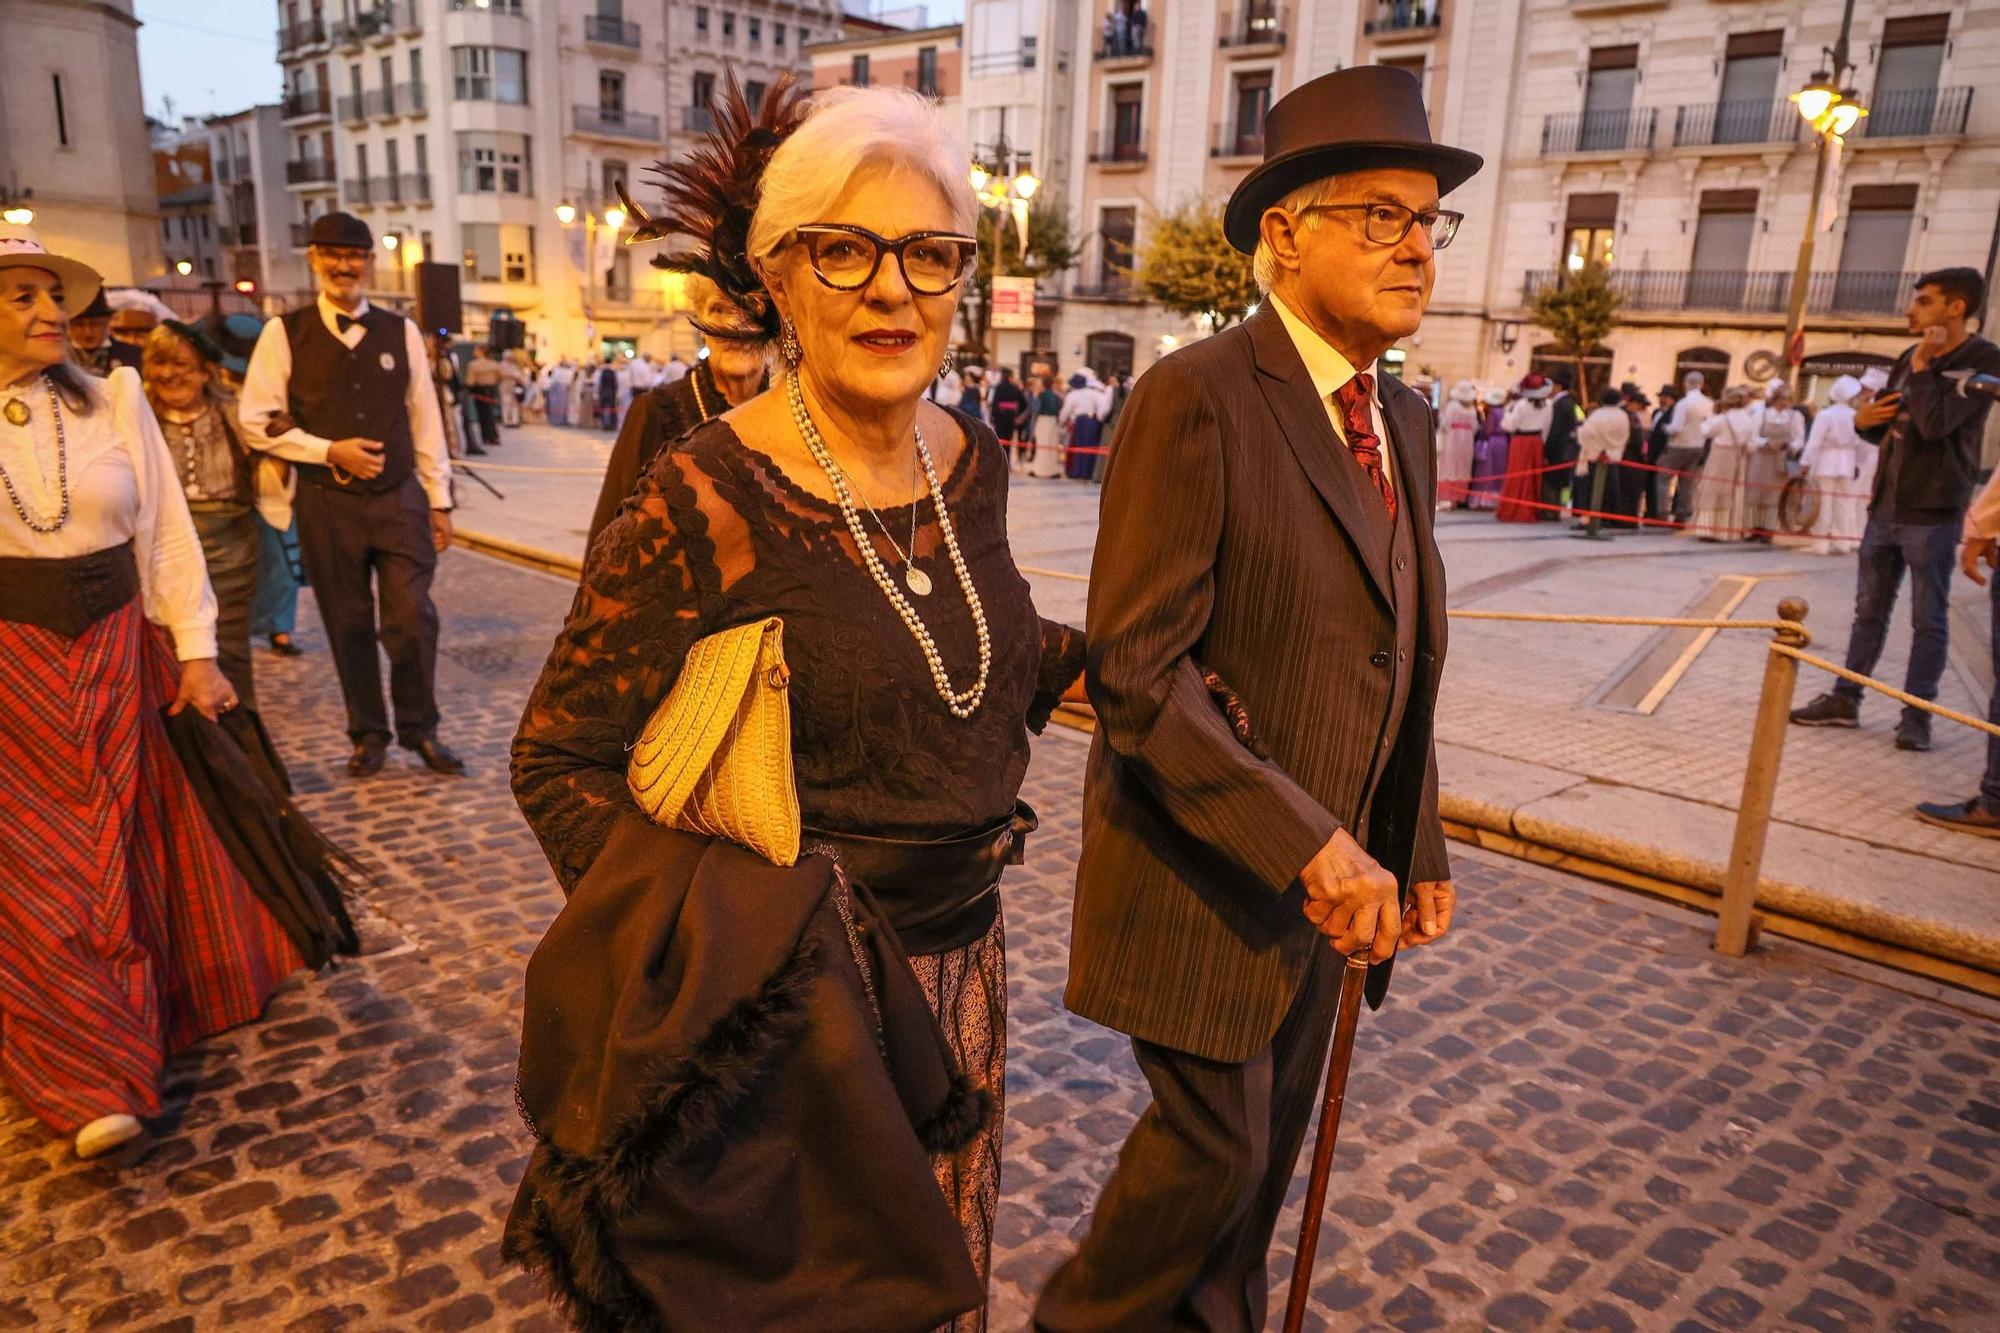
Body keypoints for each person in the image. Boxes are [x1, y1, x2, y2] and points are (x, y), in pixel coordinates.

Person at [504, 83, 1086, 1330]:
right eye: (845, 249)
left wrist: (1152, 671)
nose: (892, 289)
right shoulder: (704, 492)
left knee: (936, 1275)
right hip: (797, 1003)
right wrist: (721, 958)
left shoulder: (968, 457)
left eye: (928, 254)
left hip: (963, 965)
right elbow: (557, 758)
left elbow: (977, 634)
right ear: (776, 277)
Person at [1037, 65, 1468, 1332]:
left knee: (1256, 1176)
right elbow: (1133, 670)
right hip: (1205, 872)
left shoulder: (1405, 416)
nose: (1416, 251)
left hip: (1331, 886)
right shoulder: (1198, 396)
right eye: (1380, 216)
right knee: (1209, 1154)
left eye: (1426, 220)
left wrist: (1409, 838)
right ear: (1287, 232)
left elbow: (1403, 653)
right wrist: (1309, 844)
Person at [0, 225, 306, 1159]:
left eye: (57, 296)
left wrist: (199, 648)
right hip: (12, 670)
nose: (56, 313)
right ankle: (90, 1071)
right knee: (45, 865)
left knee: (121, 843)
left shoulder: (113, 397)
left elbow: (165, 531)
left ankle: (134, 1014)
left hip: (115, 648)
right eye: (26, 297)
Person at [238, 210, 463, 777]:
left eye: (355, 255)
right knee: (348, 621)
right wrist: (326, 450)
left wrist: (439, 499)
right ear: (313, 259)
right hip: (326, 502)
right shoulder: (283, 332)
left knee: (411, 618)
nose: (344, 265)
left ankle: (421, 729)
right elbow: (255, 420)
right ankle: (368, 733)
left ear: (368, 262)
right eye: (332, 254)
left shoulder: (401, 330)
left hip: (398, 499)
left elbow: (425, 417)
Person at [1792, 267, 2000, 753]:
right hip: (1886, 504)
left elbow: (1935, 425)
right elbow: (1887, 421)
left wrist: (1926, 367)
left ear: (1956, 308)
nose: (1911, 310)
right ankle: (1846, 699)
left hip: (1935, 507)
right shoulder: (1911, 356)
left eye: (1924, 302)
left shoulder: (1983, 360)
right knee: (1868, 611)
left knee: (1927, 618)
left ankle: (1917, 714)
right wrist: (1864, 422)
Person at [140, 321, 271, 710]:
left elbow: (270, 466)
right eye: (159, 362)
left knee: (228, 650)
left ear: (204, 370)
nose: (169, 374)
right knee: (168, 652)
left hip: (231, 550)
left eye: (180, 363)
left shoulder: (234, 413)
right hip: (160, 553)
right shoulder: (137, 418)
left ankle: (238, 741)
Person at [587, 276, 775, 545]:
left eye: (752, 308)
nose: (735, 325)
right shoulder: (656, 413)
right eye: (719, 309)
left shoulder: (797, 411)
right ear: (700, 322)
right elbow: (609, 537)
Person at [1798, 375, 1867, 556]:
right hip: (1848, 461)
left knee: (1823, 503)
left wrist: (1805, 463)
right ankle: (1842, 542)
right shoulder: (1856, 415)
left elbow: (1814, 442)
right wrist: (1857, 463)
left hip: (1826, 462)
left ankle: (1820, 543)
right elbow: (1860, 442)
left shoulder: (1825, 415)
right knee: (1843, 503)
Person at [1690, 384, 1760, 541]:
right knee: (1733, 492)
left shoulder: (1723, 419)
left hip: (1720, 456)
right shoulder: (1748, 420)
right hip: (1738, 457)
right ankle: (1728, 530)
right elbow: (1751, 444)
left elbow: (1707, 432)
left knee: (1712, 490)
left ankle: (1708, 529)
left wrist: (1706, 420)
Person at [1749, 381, 1805, 540]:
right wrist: (1766, 442)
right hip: (1761, 458)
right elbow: (1753, 436)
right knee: (1757, 492)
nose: (1785, 403)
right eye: (1781, 399)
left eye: (1788, 399)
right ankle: (1754, 527)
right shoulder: (1763, 413)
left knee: (1775, 495)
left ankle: (1770, 528)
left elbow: (1799, 438)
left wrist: (1788, 446)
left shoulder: (1795, 416)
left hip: (1781, 461)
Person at [1660, 371, 1714, 524]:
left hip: (1679, 445)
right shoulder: (1709, 404)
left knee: (1663, 477)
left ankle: (1662, 513)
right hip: (1698, 446)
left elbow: (1676, 427)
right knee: (1688, 481)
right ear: (1702, 384)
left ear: (1686, 383)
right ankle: (1683, 514)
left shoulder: (1684, 403)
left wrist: (1664, 428)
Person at [1496, 373, 1552, 521]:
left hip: (1520, 441)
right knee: (1532, 477)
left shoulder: (1521, 405)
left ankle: (1512, 510)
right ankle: (1529, 511)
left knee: (1516, 475)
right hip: (1536, 442)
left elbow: (1508, 426)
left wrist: (1507, 412)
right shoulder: (1548, 406)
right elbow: (1546, 428)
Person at [1572, 386, 1629, 525]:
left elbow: (1586, 434)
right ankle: (1608, 518)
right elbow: (1625, 434)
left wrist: (1577, 432)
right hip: (1613, 455)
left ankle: (1589, 519)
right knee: (1610, 489)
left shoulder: (1598, 415)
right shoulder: (1622, 415)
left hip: (1594, 455)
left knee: (1590, 490)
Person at [67, 288, 142, 375]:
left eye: (95, 324)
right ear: (69, 324)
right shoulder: (58, 358)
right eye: (79, 325)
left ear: (108, 321)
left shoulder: (133, 355)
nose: (87, 333)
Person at [1540, 366, 1582, 519]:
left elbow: (1555, 431)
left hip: (1557, 451)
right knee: (1558, 481)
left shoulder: (1560, 404)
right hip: (1565, 450)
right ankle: (1553, 510)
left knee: (1551, 481)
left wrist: (1546, 451)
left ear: (1558, 386)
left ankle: (1550, 511)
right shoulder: (1569, 403)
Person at [1640, 382, 1679, 524]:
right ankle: (1650, 511)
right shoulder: (1657, 412)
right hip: (1652, 450)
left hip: (1663, 451)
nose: (1663, 400)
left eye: (1666, 397)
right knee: (1650, 482)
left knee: (1660, 482)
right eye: (1662, 397)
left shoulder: (1674, 413)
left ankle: (1658, 513)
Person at [1437, 379, 1478, 508]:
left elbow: (1446, 424)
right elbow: (1475, 427)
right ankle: (1459, 498)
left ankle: (1448, 499)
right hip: (1467, 439)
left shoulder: (1452, 406)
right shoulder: (1472, 409)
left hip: (1453, 438)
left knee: (1450, 466)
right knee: (1463, 467)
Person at [1466, 385, 1506, 510]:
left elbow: (1487, 430)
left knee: (1486, 471)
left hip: (1492, 442)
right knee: (1499, 470)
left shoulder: (1492, 412)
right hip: (1503, 443)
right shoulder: (1504, 411)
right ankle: (1495, 500)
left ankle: (1483, 501)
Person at [1060, 371, 1102, 480]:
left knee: (1079, 446)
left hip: (1080, 421)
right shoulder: (1093, 393)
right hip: (1092, 419)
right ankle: (1088, 472)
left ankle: (1078, 471)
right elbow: (1101, 406)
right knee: (1091, 446)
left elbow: (1066, 411)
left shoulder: (1073, 394)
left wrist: (1061, 421)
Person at [463, 345, 504, 448]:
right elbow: (500, 377)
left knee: (482, 414)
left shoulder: (473, 365)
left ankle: (485, 436)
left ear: (480, 352)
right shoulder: (494, 364)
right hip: (491, 389)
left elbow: (470, 381)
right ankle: (492, 435)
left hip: (479, 390)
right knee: (490, 413)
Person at [1027, 373, 1065, 477]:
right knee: (1051, 446)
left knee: (1041, 446)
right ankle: (1052, 470)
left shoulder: (1040, 395)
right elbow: (1059, 409)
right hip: (1052, 421)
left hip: (1042, 421)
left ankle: (1040, 470)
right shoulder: (1056, 396)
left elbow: (1035, 409)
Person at [988, 364, 1028, 455]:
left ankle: (1000, 462)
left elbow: (995, 403)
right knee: (1008, 441)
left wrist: (993, 416)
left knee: (1000, 441)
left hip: (1000, 417)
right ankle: (1007, 462)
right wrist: (1018, 415)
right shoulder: (1015, 388)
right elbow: (1024, 403)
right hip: (1011, 416)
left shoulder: (998, 387)